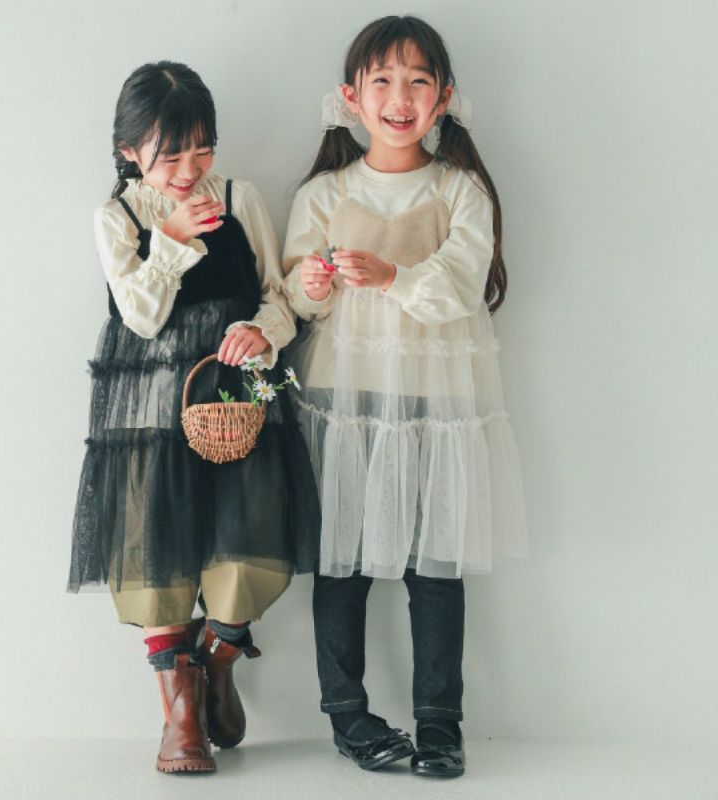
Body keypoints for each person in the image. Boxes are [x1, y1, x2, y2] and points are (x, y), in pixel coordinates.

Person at [281, 16, 528, 779]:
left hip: (435, 399)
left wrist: (390, 275)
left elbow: (460, 283)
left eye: (418, 81)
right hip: (344, 395)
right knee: (343, 560)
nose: (400, 97)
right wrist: (312, 282)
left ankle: (440, 723)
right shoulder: (325, 192)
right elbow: (294, 296)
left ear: (443, 97)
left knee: (435, 562)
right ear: (351, 97)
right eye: (382, 81)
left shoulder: (460, 190)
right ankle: (348, 715)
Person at [68, 61, 319, 775]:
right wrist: (173, 240)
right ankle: (180, 709)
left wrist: (263, 332)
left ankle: (218, 654)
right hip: (147, 405)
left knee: (249, 539)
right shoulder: (117, 217)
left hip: (239, 394)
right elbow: (141, 318)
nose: (188, 170)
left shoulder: (240, 197)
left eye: (201, 149)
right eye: (169, 154)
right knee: (156, 547)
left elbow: (279, 295)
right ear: (129, 151)